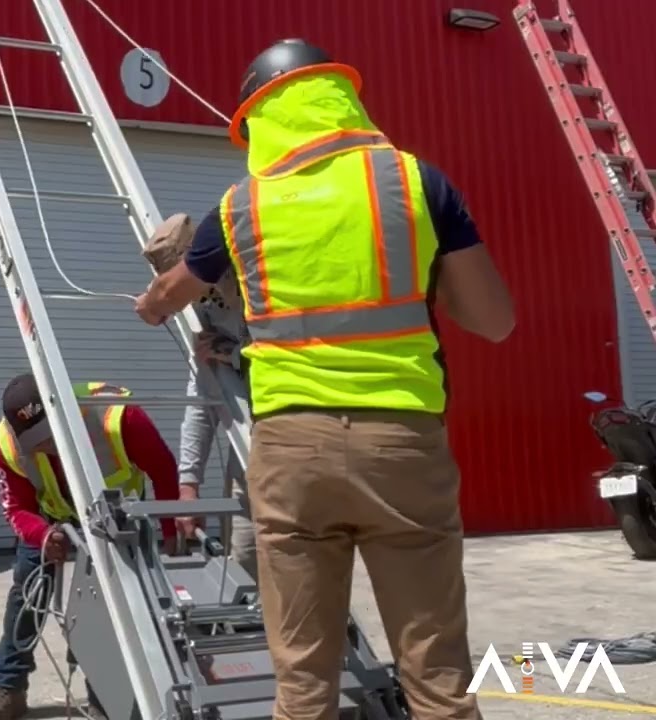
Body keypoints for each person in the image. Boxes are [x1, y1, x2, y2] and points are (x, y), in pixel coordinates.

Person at [133, 39, 514, 720]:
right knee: (437, 683)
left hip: (291, 453)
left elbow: (171, 295)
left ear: (258, 121)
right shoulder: (414, 181)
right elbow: (492, 319)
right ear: (340, 98)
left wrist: (152, 301)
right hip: (402, 446)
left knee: (304, 687)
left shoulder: (241, 205)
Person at [0, 373, 196, 720]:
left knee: (110, 607)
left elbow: (163, 470)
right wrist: (42, 535)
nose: (45, 446)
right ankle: (9, 689)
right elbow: (17, 508)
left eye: (49, 436)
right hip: (54, 519)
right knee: (26, 593)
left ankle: (104, 697)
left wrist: (169, 530)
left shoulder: (118, 416)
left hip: (116, 517)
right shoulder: (7, 444)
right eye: (35, 441)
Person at [180, 299, 258, 580]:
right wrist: (188, 485)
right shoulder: (203, 314)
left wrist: (236, 354)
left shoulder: (269, 288)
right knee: (242, 561)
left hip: (300, 445)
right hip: (247, 463)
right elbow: (201, 398)